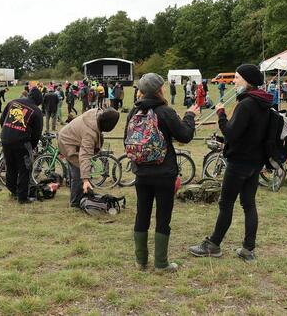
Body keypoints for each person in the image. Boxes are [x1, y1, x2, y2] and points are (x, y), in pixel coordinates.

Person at [189, 64, 273, 262]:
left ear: (247, 80)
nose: (234, 81)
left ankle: (213, 244)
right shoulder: (264, 102)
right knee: (248, 204)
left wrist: (221, 114)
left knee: (226, 203)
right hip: (255, 162)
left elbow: (231, 133)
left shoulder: (247, 104)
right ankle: (248, 249)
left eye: (237, 77)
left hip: (240, 161)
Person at [125, 73, 198, 272]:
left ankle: (140, 261)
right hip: (164, 173)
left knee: (142, 214)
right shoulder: (165, 111)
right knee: (163, 217)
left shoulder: (134, 112)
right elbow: (185, 135)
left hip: (141, 173)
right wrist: (190, 116)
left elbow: (127, 140)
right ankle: (161, 263)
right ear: (159, 90)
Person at [58, 107, 120, 207]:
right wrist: (86, 179)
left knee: (80, 171)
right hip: (67, 143)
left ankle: (86, 193)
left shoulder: (96, 115)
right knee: (78, 173)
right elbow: (85, 156)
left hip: (68, 137)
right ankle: (75, 202)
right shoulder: (89, 133)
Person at [0, 87, 43, 203]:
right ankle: (22, 198)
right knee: (25, 169)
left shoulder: (13, 102)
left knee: (10, 166)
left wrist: (7, 132)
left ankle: (13, 191)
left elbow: (2, 120)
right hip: (22, 142)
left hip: (6, 139)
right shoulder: (36, 111)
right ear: (39, 101)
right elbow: (37, 133)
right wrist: (31, 146)